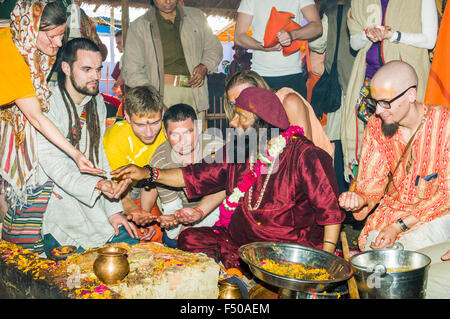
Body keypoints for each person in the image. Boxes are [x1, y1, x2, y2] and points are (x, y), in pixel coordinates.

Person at [112, 86, 345, 271]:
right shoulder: (239, 150)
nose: (232, 122)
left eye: (241, 117)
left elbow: (331, 213)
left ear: (263, 121)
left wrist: (325, 257)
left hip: (286, 248)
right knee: (190, 239)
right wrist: (147, 173)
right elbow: (192, 175)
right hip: (240, 241)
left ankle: (241, 275)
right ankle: (234, 275)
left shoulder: (305, 155)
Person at [3, 38, 139, 255]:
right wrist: (96, 187)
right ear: (66, 67)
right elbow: (54, 164)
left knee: (133, 251)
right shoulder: (45, 100)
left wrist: (113, 210)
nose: (96, 76)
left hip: (94, 205)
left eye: (98, 69)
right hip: (56, 207)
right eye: (87, 69)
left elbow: (99, 157)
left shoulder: (96, 104)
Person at [338, 61, 449, 252]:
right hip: (393, 211)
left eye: (385, 103)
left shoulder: (444, 125)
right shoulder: (376, 126)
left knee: (404, 254)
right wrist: (359, 199)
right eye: (375, 102)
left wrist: (398, 227)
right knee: (375, 255)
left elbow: (447, 197)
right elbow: (371, 186)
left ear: (410, 95)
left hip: (436, 214)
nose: (379, 111)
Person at [0, 0, 104, 203]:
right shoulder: (10, 56)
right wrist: (76, 155)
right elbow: (36, 117)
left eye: (61, 35)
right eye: (52, 36)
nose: (58, 43)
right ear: (30, 28)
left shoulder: (25, 46)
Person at [341, 0, 438, 186]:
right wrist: (366, 35)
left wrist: (394, 35)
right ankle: (370, 195)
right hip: (369, 87)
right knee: (370, 147)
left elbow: (429, 39)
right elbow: (354, 43)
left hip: (403, 89)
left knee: (405, 144)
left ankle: (406, 191)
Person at [129, 103, 224, 248]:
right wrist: (174, 220)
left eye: (188, 133)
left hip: (217, 210)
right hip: (180, 215)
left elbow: (225, 193)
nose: (182, 142)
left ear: (198, 129)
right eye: (175, 135)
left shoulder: (217, 149)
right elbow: (171, 206)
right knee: (174, 239)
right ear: (166, 134)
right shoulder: (160, 159)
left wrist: (192, 225)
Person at [121, 0, 223, 122]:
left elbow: (214, 47)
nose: (168, 1)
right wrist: (155, 101)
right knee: (165, 139)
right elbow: (133, 70)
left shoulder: (196, 17)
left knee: (194, 137)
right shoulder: (140, 27)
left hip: (196, 91)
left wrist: (204, 66)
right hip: (162, 93)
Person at [103, 85, 167, 243]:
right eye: (140, 125)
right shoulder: (115, 138)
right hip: (117, 192)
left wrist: (145, 215)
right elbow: (117, 189)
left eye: (154, 122)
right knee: (129, 239)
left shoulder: (168, 132)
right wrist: (134, 212)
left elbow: (157, 177)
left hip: (151, 187)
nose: (149, 132)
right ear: (127, 117)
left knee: (157, 235)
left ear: (162, 114)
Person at [224, 70, 334, 157]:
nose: (239, 106)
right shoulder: (251, 118)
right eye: (233, 103)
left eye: (244, 96)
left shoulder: (289, 101)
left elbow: (306, 151)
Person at [234, 0, 323, 98]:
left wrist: (292, 35)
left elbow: (317, 27)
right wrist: (263, 47)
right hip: (260, 75)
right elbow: (239, 37)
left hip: (293, 74)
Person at [111, 29, 125, 101]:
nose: (117, 46)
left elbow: (122, 78)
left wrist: (115, 85)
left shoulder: (125, 56)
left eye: (119, 43)